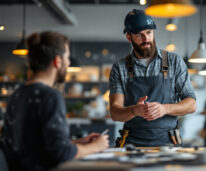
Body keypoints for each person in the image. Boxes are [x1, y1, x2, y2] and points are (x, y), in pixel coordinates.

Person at [0, 31, 109, 171]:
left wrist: (74, 143)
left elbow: (32, 145)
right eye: (67, 57)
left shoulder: (17, 94)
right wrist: (96, 146)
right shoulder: (50, 96)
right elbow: (60, 154)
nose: (69, 63)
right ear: (57, 61)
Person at [109, 9, 196, 147]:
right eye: (139, 35)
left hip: (168, 143)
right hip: (132, 144)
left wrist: (165, 109)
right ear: (129, 37)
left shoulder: (174, 62)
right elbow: (115, 112)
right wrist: (134, 110)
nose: (146, 39)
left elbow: (191, 104)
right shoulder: (120, 68)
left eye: (149, 33)